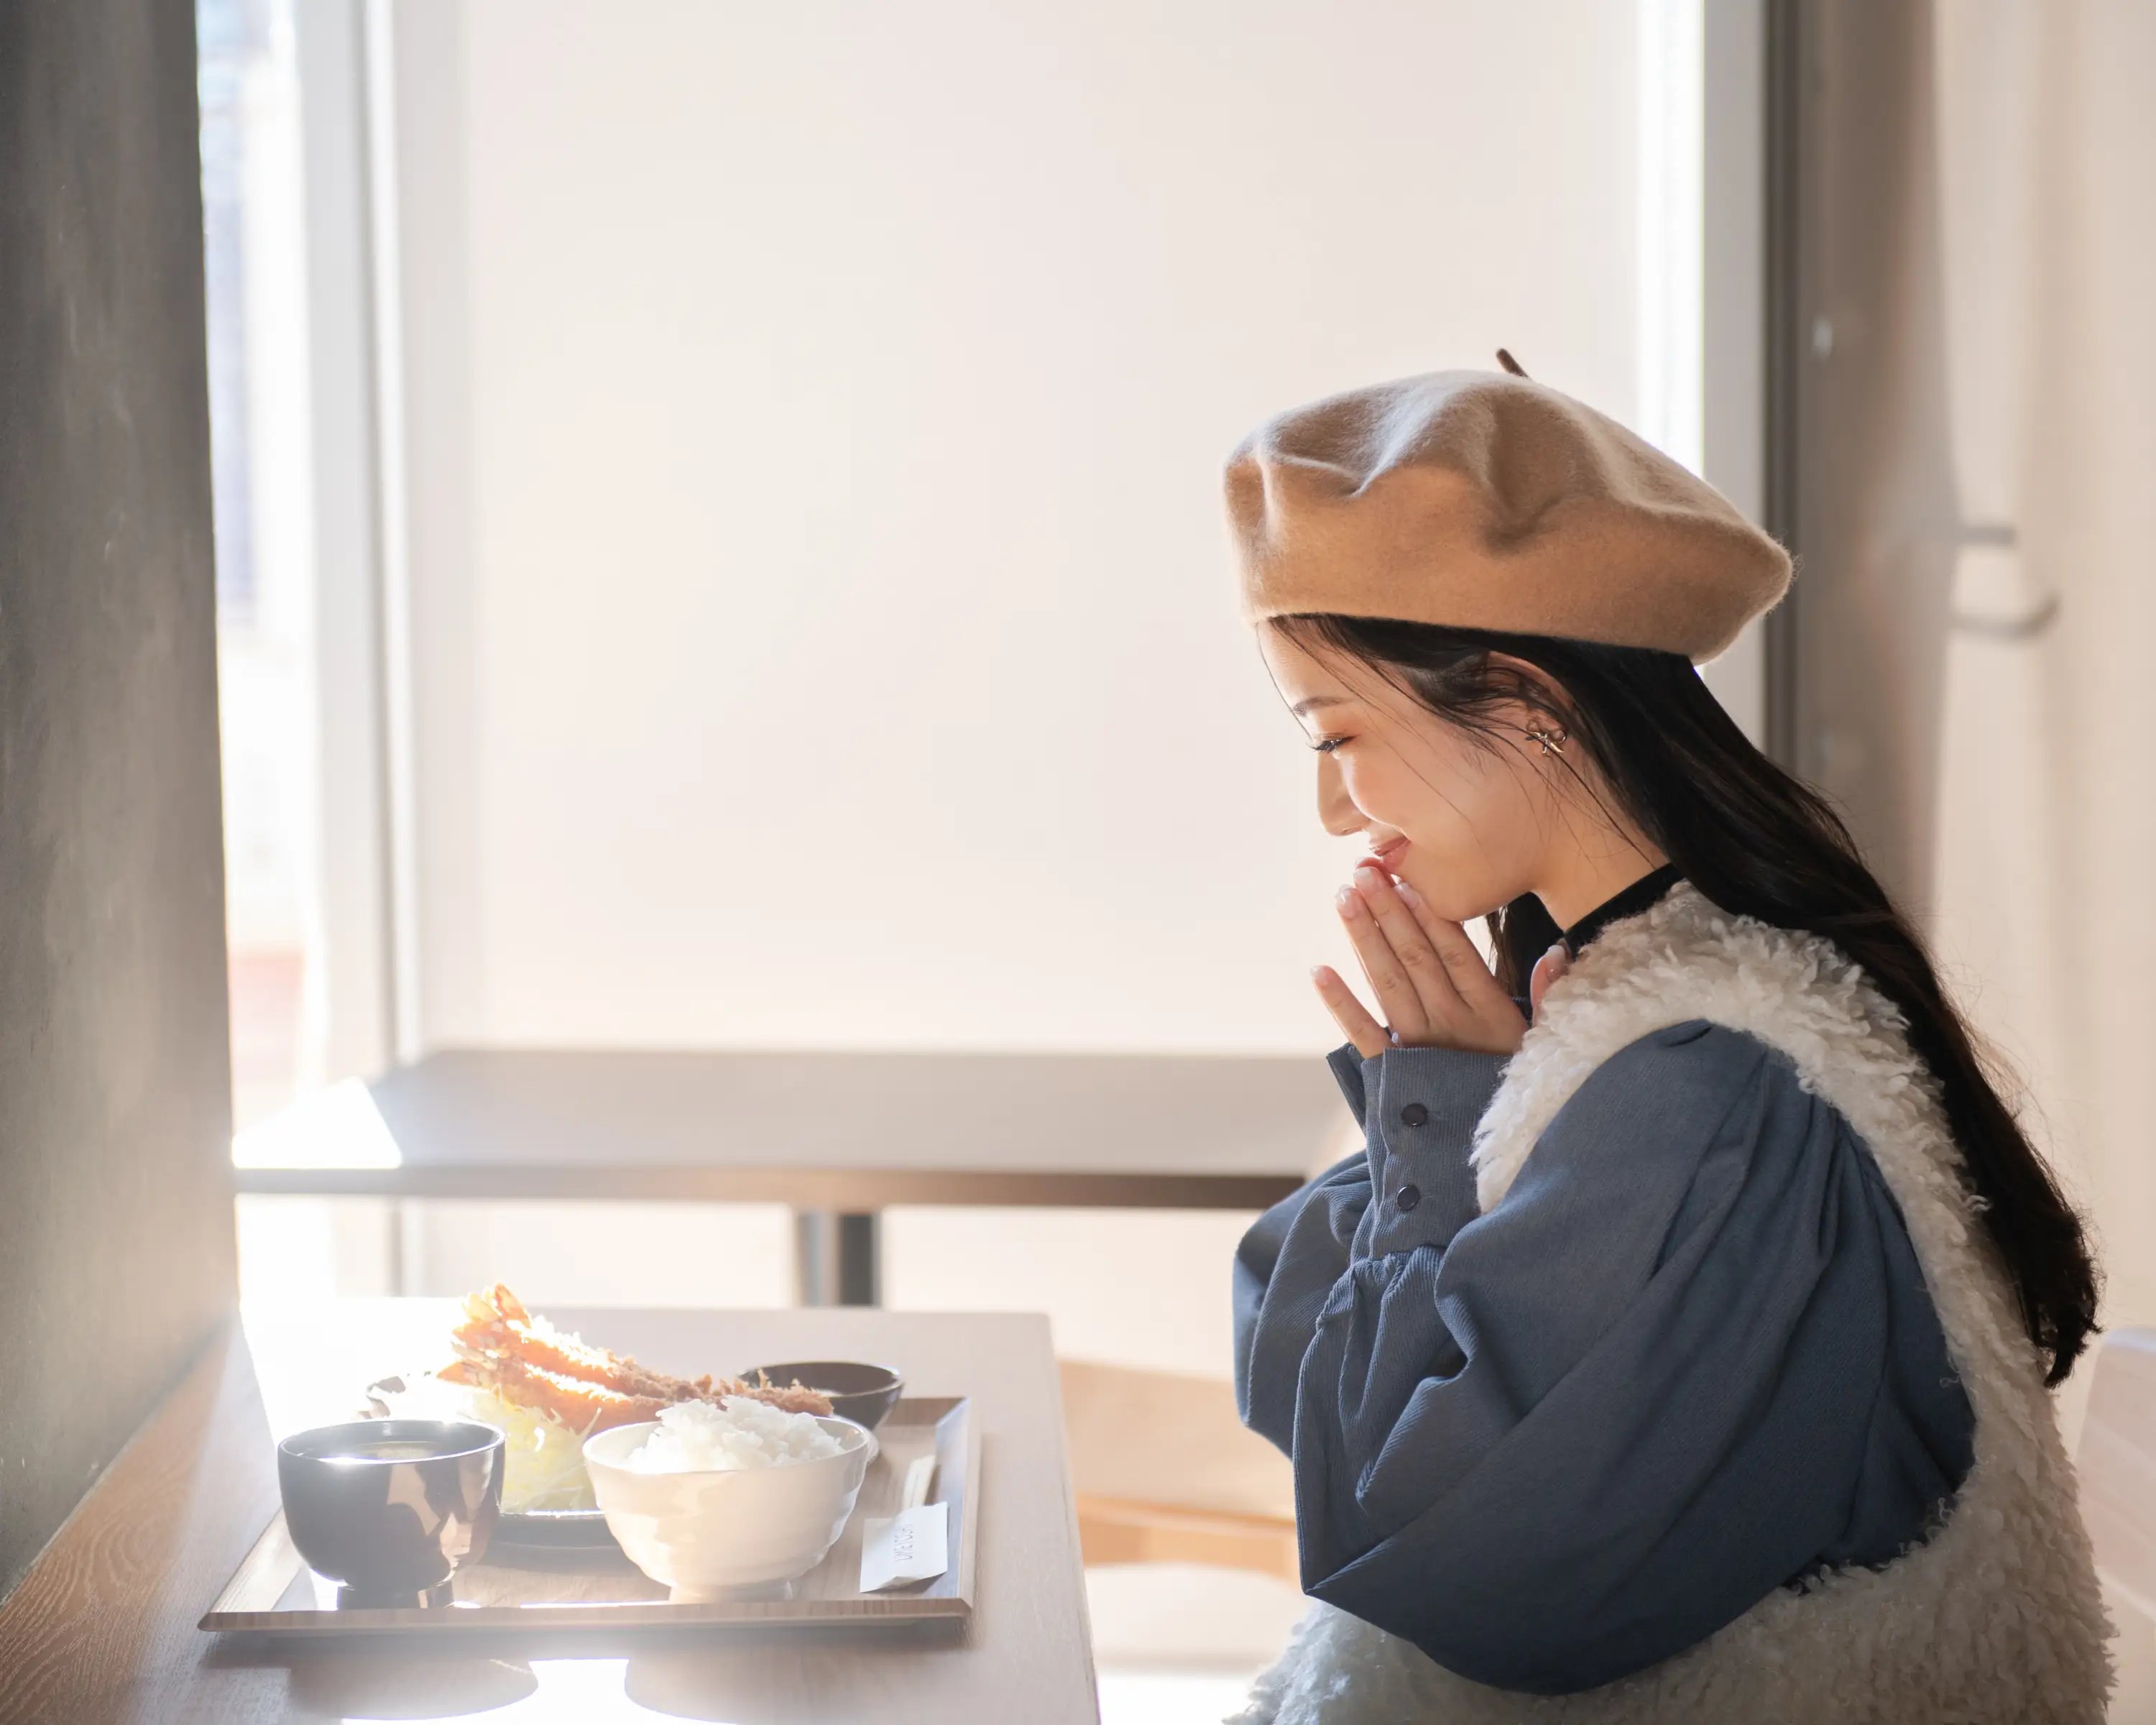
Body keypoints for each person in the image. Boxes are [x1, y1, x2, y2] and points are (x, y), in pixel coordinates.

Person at [1222, 359, 2110, 1723]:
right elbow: (1294, 1364)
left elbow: (1432, 1547)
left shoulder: (1714, 1083)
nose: (1338, 810)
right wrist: (1447, 1110)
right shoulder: (1647, 1017)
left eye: (1340, 734)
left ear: (1524, 700)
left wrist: (1442, 1119)